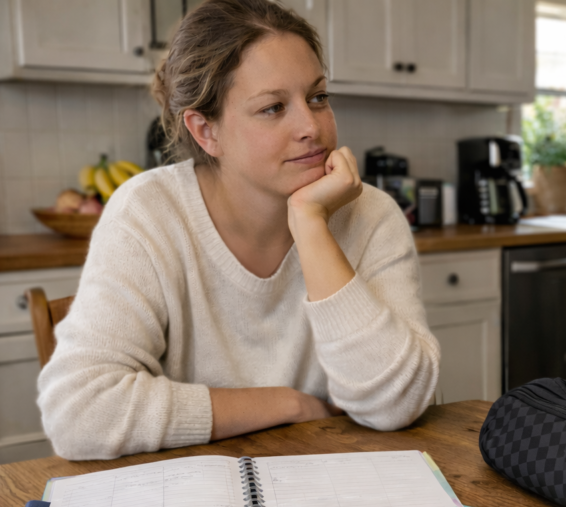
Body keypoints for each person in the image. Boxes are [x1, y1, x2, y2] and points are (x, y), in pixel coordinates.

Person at [37, 0, 440, 460]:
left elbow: (397, 404)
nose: (311, 126)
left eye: (318, 97)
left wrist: (310, 223)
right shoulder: (149, 211)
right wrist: (286, 403)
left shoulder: (370, 215)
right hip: (192, 498)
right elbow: (78, 413)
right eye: (272, 108)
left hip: (332, 488)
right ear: (206, 131)